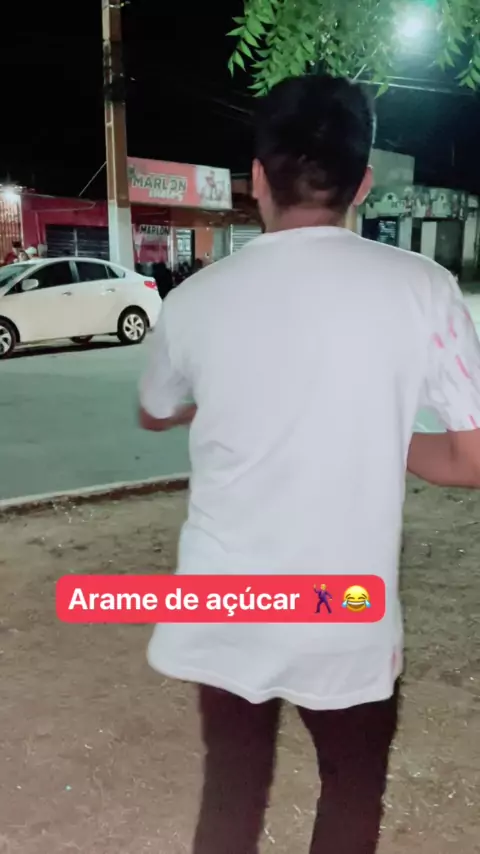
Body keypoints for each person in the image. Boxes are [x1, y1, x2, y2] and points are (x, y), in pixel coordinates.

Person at [138, 74, 480, 854]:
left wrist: (211, 407)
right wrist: (375, 431)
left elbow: (155, 409)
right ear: (362, 184)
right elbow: (471, 458)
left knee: (231, 789)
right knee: (351, 791)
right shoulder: (423, 289)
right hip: (344, 614)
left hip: (224, 608)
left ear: (257, 177)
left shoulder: (194, 299)